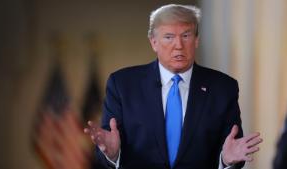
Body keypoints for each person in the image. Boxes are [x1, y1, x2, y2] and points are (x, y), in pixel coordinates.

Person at [84, 4, 262, 169]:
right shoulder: (122, 85)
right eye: (169, 37)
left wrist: (225, 160)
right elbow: (105, 151)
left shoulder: (223, 88)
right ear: (154, 42)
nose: (179, 45)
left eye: (186, 35)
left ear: (196, 40)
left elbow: (233, 150)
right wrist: (113, 155)